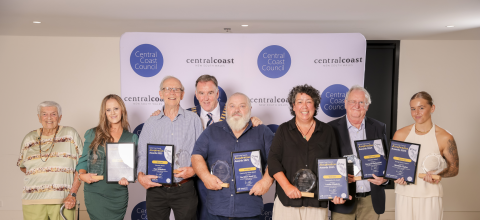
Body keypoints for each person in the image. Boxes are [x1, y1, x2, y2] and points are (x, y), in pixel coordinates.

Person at [150, 74, 263, 220]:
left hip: (227, 179)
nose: (206, 98)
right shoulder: (187, 115)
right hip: (195, 181)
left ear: (217, 94)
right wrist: (159, 115)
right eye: (201, 93)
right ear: (196, 95)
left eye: (210, 93)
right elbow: (169, 123)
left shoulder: (231, 112)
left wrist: (252, 119)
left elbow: (245, 125)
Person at [268, 84, 349, 220]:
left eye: (309, 102)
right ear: (293, 106)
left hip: (316, 202)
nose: (304, 106)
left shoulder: (327, 131)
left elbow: (335, 164)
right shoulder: (283, 130)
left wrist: (337, 192)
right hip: (287, 202)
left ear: (315, 106)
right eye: (299, 102)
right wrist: (287, 186)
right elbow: (273, 160)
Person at [191, 93, 275, 220]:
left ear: (250, 109)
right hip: (217, 209)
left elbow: (276, 158)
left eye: (242, 106)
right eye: (232, 106)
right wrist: (205, 176)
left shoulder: (262, 131)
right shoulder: (211, 130)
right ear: (226, 109)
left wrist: (267, 181)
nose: (237, 110)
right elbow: (196, 155)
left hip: (249, 209)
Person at [137, 76, 203, 220]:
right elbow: (142, 153)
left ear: (182, 94)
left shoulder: (194, 120)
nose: (172, 92)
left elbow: (202, 153)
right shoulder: (151, 122)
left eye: (176, 89)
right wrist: (140, 175)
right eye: (167, 89)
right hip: (156, 189)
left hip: (185, 188)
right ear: (161, 94)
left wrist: (194, 170)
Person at [393, 91, 459, 220]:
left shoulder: (445, 137)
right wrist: (396, 176)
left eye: (421, 108)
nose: (416, 113)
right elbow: (394, 166)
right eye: (413, 109)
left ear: (432, 108)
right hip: (404, 194)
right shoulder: (400, 135)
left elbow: (454, 169)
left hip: (431, 197)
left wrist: (438, 175)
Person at [328, 86, 389, 220]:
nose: (357, 106)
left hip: (371, 201)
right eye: (352, 101)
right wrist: (332, 191)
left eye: (361, 102)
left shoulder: (379, 127)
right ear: (345, 103)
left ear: (367, 106)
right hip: (344, 200)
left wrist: (384, 179)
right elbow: (326, 162)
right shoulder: (330, 129)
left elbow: (387, 161)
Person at [76, 94, 138, 220]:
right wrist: (82, 175)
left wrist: (130, 178)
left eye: (116, 108)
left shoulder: (132, 138)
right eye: (108, 110)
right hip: (95, 191)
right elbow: (83, 161)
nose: (112, 113)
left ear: (122, 110)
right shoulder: (93, 133)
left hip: (118, 193)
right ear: (104, 113)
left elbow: (134, 167)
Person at [17, 101, 83, 220]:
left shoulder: (70, 134)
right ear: (39, 117)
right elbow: (23, 166)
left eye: (53, 114)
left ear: (60, 117)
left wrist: (72, 194)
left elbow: (82, 166)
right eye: (44, 114)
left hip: (63, 200)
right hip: (32, 201)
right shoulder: (29, 138)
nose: (49, 118)